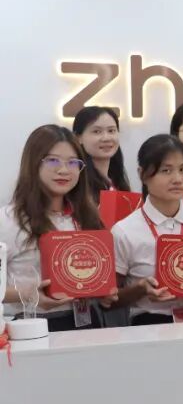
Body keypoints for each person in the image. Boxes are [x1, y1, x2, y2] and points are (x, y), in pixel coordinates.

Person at [0, 125, 112, 331]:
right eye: (53, 161)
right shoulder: (8, 220)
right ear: (33, 163)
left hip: (88, 322)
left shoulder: (88, 216)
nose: (64, 170)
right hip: (32, 326)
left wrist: (104, 292)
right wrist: (28, 294)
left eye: (73, 162)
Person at [111, 134, 183, 324]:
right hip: (148, 325)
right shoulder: (124, 230)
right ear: (142, 174)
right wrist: (140, 289)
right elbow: (108, 300)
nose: (177, 179)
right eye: (166, 170)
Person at [72, 106, 131, 202]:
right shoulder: (76, 183)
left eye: (111, 131)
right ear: (78, 137)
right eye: (97, 131)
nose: (106, 138)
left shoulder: (116, 182)